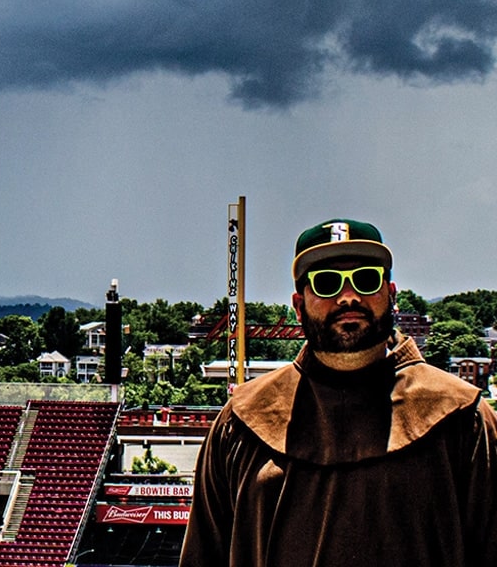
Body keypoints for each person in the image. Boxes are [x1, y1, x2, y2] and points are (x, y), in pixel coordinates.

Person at [180, 218, 497, 566]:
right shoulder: (241, 420)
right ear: (298, 306)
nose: (349, 296)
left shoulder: (462, 416)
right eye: (327, 283)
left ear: (391, 295)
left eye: (366, 279)